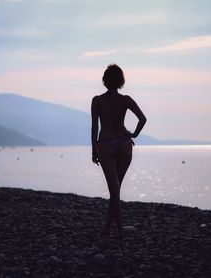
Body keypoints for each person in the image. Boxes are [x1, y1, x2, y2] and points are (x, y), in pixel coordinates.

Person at [91, 64, 146, 239]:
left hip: (106, 144)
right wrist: (133, 135)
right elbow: (143, 119)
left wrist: (94, 149)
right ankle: (108, 227)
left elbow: (94, 128)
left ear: (104, 81)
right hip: (124, 143)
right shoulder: (125, 100)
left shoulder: (97, 101)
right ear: (121, 81)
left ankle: (120, 230)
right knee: (116, 189)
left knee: (114, 190)